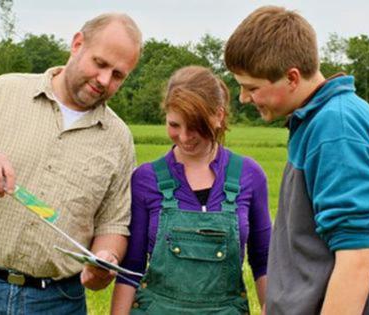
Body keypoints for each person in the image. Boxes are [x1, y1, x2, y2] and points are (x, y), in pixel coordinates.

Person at [0, 13, 142, 314]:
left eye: (118, 75)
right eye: (100, 64)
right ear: (77, 44)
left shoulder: (119, 139)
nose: (104, 80)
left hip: (57, 301)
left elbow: (113, 222)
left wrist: (106, 257)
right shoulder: (1, 92)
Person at [224, 6, 369, 315]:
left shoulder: (336, 130)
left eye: (252, 87)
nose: (242, 98)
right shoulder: (319, 120)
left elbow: (355, 260)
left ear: (292, 77)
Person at [110, 65, 271, 314]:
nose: (184, 137)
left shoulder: (249, 175)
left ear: (218, 116)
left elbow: (263, 261)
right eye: (175, 124)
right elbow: (132, 268)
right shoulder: (146, 179)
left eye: (194, 126)